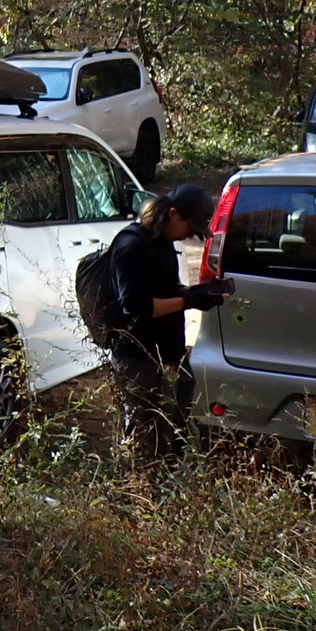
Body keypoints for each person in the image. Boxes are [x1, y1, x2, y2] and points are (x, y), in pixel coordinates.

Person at [105, 183, 231, 459]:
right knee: (143, 441)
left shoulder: (162, 243)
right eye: (190, 226)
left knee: (174, 437)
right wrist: (189, 301)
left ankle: (163, 489)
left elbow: (165, 291)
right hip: (137, 359)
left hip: (167, 355)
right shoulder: (131, 246)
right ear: (173, 214)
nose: (190, 235)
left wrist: (199, 294)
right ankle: (136, 493)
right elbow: (136, 308)